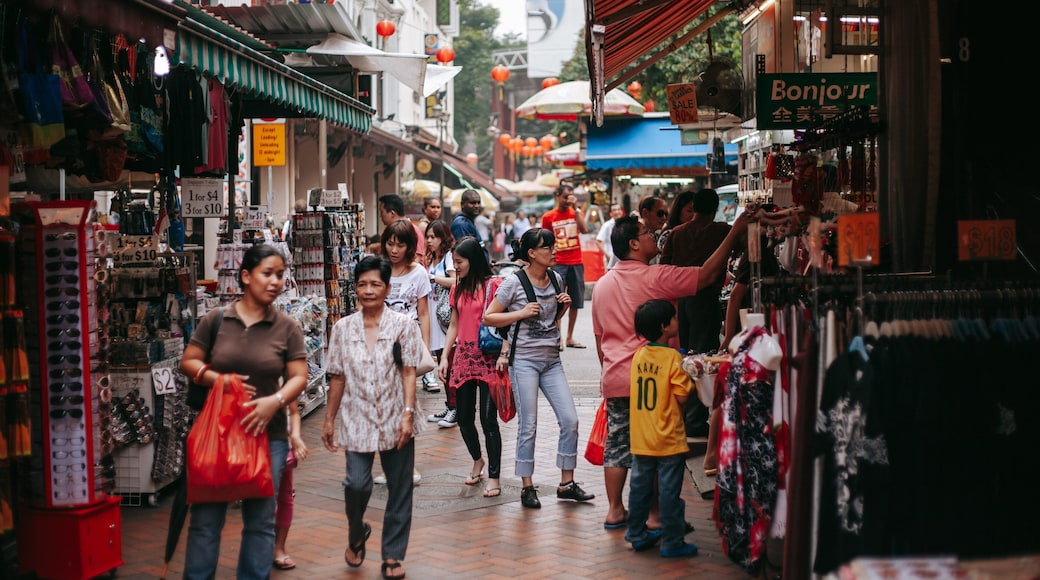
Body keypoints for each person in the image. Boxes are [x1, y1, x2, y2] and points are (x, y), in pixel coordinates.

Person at [590, 213, 753, 531]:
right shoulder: (655, 277)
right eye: (647, 232)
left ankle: (614, 510)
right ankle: (654, 516)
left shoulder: (603, 284)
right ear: (634, 244)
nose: (654, 235)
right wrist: (735, 233)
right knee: (651, 449)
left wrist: (611, 374)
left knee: (618, 444)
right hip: (652, 378)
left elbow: (600, 340)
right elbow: (706, 275)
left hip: (616, 378)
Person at [180, 243, 309, 580]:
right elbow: (189, 360)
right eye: (267, 273)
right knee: (206, 520)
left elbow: (298, 377)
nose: (275, 281)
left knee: (261, 521)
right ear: (246, 276)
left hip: (269, 436)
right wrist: (216, 379)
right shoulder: (217, 319)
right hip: (217, 433)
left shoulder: (287, 327)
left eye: (280, 275)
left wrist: (275, 401)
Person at [321, 256, 424, 580]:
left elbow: (409, 371)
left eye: (375, 284)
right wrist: (328, 420)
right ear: (355, 288)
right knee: (356, 483)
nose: (368, 290)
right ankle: (356, 530)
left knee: (399, 487)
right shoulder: (342, 328)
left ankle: (392, 555)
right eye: (362, 284)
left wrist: (408, 414)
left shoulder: (403, 326)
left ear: (387, 288)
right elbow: (336, 376)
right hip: (357, 416)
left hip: (396, 415)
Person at [483, 228, 595, 509]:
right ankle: (527, 486)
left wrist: (564, 308)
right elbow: (489, 317)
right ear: (531, 253)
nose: (553, 251)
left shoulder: (556, 279)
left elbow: (549, 321)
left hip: (551, 361)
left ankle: (566, 483)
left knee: (570, 419)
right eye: (547, 247)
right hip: (524, 362)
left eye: (553, 246)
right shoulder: (513, 283)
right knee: (529, 425)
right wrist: (520, 313)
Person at [626, 299, 698, 558]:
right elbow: (681, 397)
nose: (678, 322)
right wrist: (691, 377)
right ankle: (672, 541)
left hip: (642, 437)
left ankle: (636, 533)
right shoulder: (672, 358)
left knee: (640, 488)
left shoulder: (639, 355)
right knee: (669, 492)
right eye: (674, 318)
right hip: (668, 438)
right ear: (664, 326)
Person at [660, 188, 732, 438]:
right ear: (715, 208)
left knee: (687, 355)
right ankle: (696, 418)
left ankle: (690, 415)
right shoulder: (721, 231)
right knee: (704, 356)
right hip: (707, 300)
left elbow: (664, 267)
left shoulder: (677, 233)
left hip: (682, 301)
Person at [437, 236, 504, 498]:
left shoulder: (493, 285)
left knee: (488, 420)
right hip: (463, 357)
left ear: (473, 260)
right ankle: (478, 460)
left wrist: (506, 353)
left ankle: (495, 477)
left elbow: (504, 321)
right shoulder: (458, 288)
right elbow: (454, 324)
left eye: (459, 262)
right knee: (464, 418)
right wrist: (444, 357)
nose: (456, 266)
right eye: (454, 262)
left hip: (488, 357)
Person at [376, 219, 431, 484]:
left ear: (410, 246)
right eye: (390, 243)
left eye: (400, 244)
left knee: (406, 404)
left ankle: (409, 466)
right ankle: (389, 466)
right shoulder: (379, 270)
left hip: (407, 344)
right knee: (382, 404)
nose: (394, 249)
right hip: (379, 344)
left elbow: (423, 313)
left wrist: (427, 348)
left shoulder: (418, 272)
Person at [540, 183, 589, 350]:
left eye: (570, 196)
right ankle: (558, 337)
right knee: (558, 300)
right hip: (558, 262)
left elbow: (585, 229)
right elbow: (545, 241)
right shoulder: (548, 217)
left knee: (576, 301)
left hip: (576, 261)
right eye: (565, 196)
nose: (568, 200)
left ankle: (570, 337)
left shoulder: (576, 213)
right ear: (558, 196)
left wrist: (576, 209)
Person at [426, 220, 457, 423]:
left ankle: (456, 408)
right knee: (442, 362)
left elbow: (456, 281)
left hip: (446, 318)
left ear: (442, 238)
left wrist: (433, 278)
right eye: (427, 237)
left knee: (450, 363)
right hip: (434, 317)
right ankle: (450, 406)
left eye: (433, 237)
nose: (429, 241)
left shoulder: (448, 258)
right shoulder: (433, 259)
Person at [273, 400, 308, 570]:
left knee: (285, 497)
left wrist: (295, 435)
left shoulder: (285, 377)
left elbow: (293, 411)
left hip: (282, 442)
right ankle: (265, 544)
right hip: (256, 443)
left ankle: (279, 547)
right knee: (265, 499)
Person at [379, 193, 425, 265]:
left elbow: (416, 259)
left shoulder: (413, 230)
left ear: (392, 213)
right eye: (390, 244)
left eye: (382, 212)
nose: (380, 216)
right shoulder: (389, 231)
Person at [452, 189, 488, 261]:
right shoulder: (461, 225)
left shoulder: (468, 221)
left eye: (478, 203)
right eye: (472, 203)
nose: (477, 206)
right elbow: (466, 253)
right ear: (462, 204)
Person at [637, 195, 669, 265]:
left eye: (666, 214)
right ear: (645, 213)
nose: (664, 218)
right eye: (660, 213)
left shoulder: (662, 237)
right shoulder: (631, 235)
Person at [596, 204, 624, 270]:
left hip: (624, 259)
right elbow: (598, 242)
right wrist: (607, 256)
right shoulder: (607, 225)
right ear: (611, 214)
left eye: (618, 209)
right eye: (614, 210)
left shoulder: (625, 224)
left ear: (621, 211)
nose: (617, 212)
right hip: (611, 257)